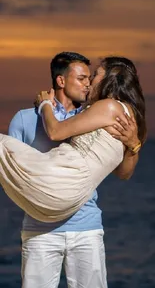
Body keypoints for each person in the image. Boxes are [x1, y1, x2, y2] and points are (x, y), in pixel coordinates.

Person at [0, 53, 144, 288]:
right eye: (82, 78)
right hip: (40, 231)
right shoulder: (25, 119)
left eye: (91, 77)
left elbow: (124, 173)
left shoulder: (92, 116)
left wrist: (134, 144)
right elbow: (13, 173)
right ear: (61, 81)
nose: (88, 83)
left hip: (86, 227)